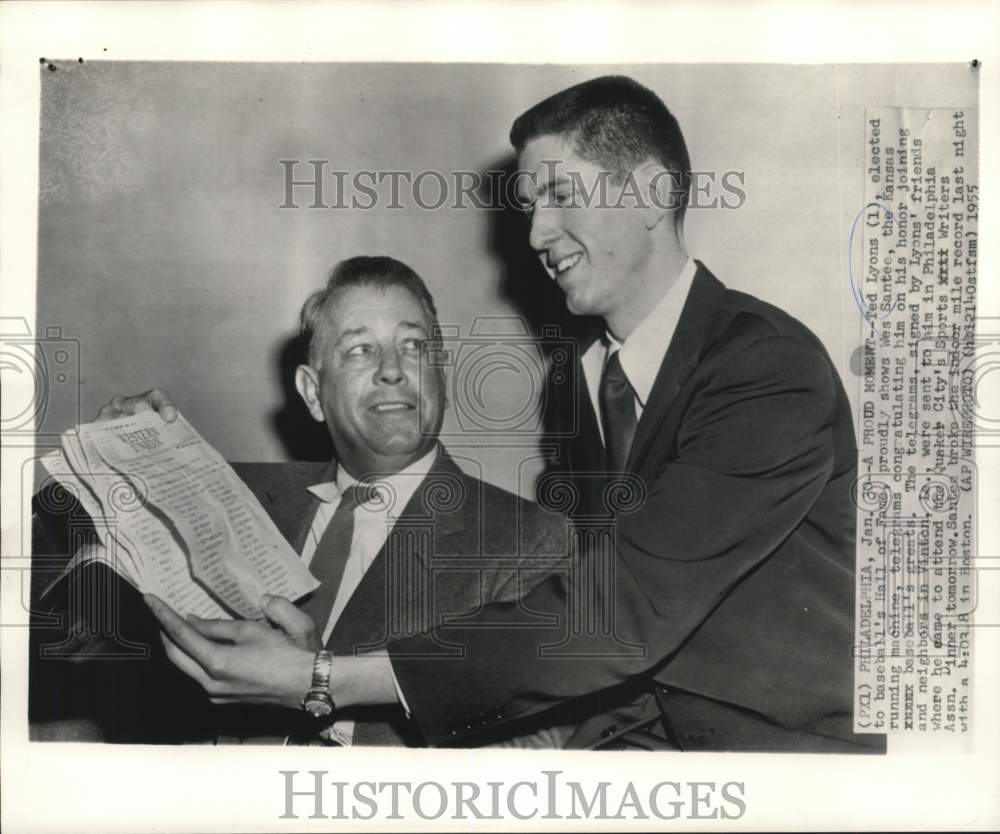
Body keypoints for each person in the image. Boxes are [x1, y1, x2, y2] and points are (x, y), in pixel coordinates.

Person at [108, 76, 883, 752]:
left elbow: (619, 614)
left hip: (783, 768)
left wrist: (323, 681)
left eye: (561, 195)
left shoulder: (765, 368)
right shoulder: (582, 383)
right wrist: (141, 449)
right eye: (529, 206)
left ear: (651, 193)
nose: (537, 233)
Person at [33, 255, 568, 747]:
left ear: (441, 376)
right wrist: (109, 460)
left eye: (414, 345)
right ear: (313, 392)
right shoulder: (230, 491)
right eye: (361, 349)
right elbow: (44, 580)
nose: (392, 369)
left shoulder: (527, 540)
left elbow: (534, 754)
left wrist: (326, 701)